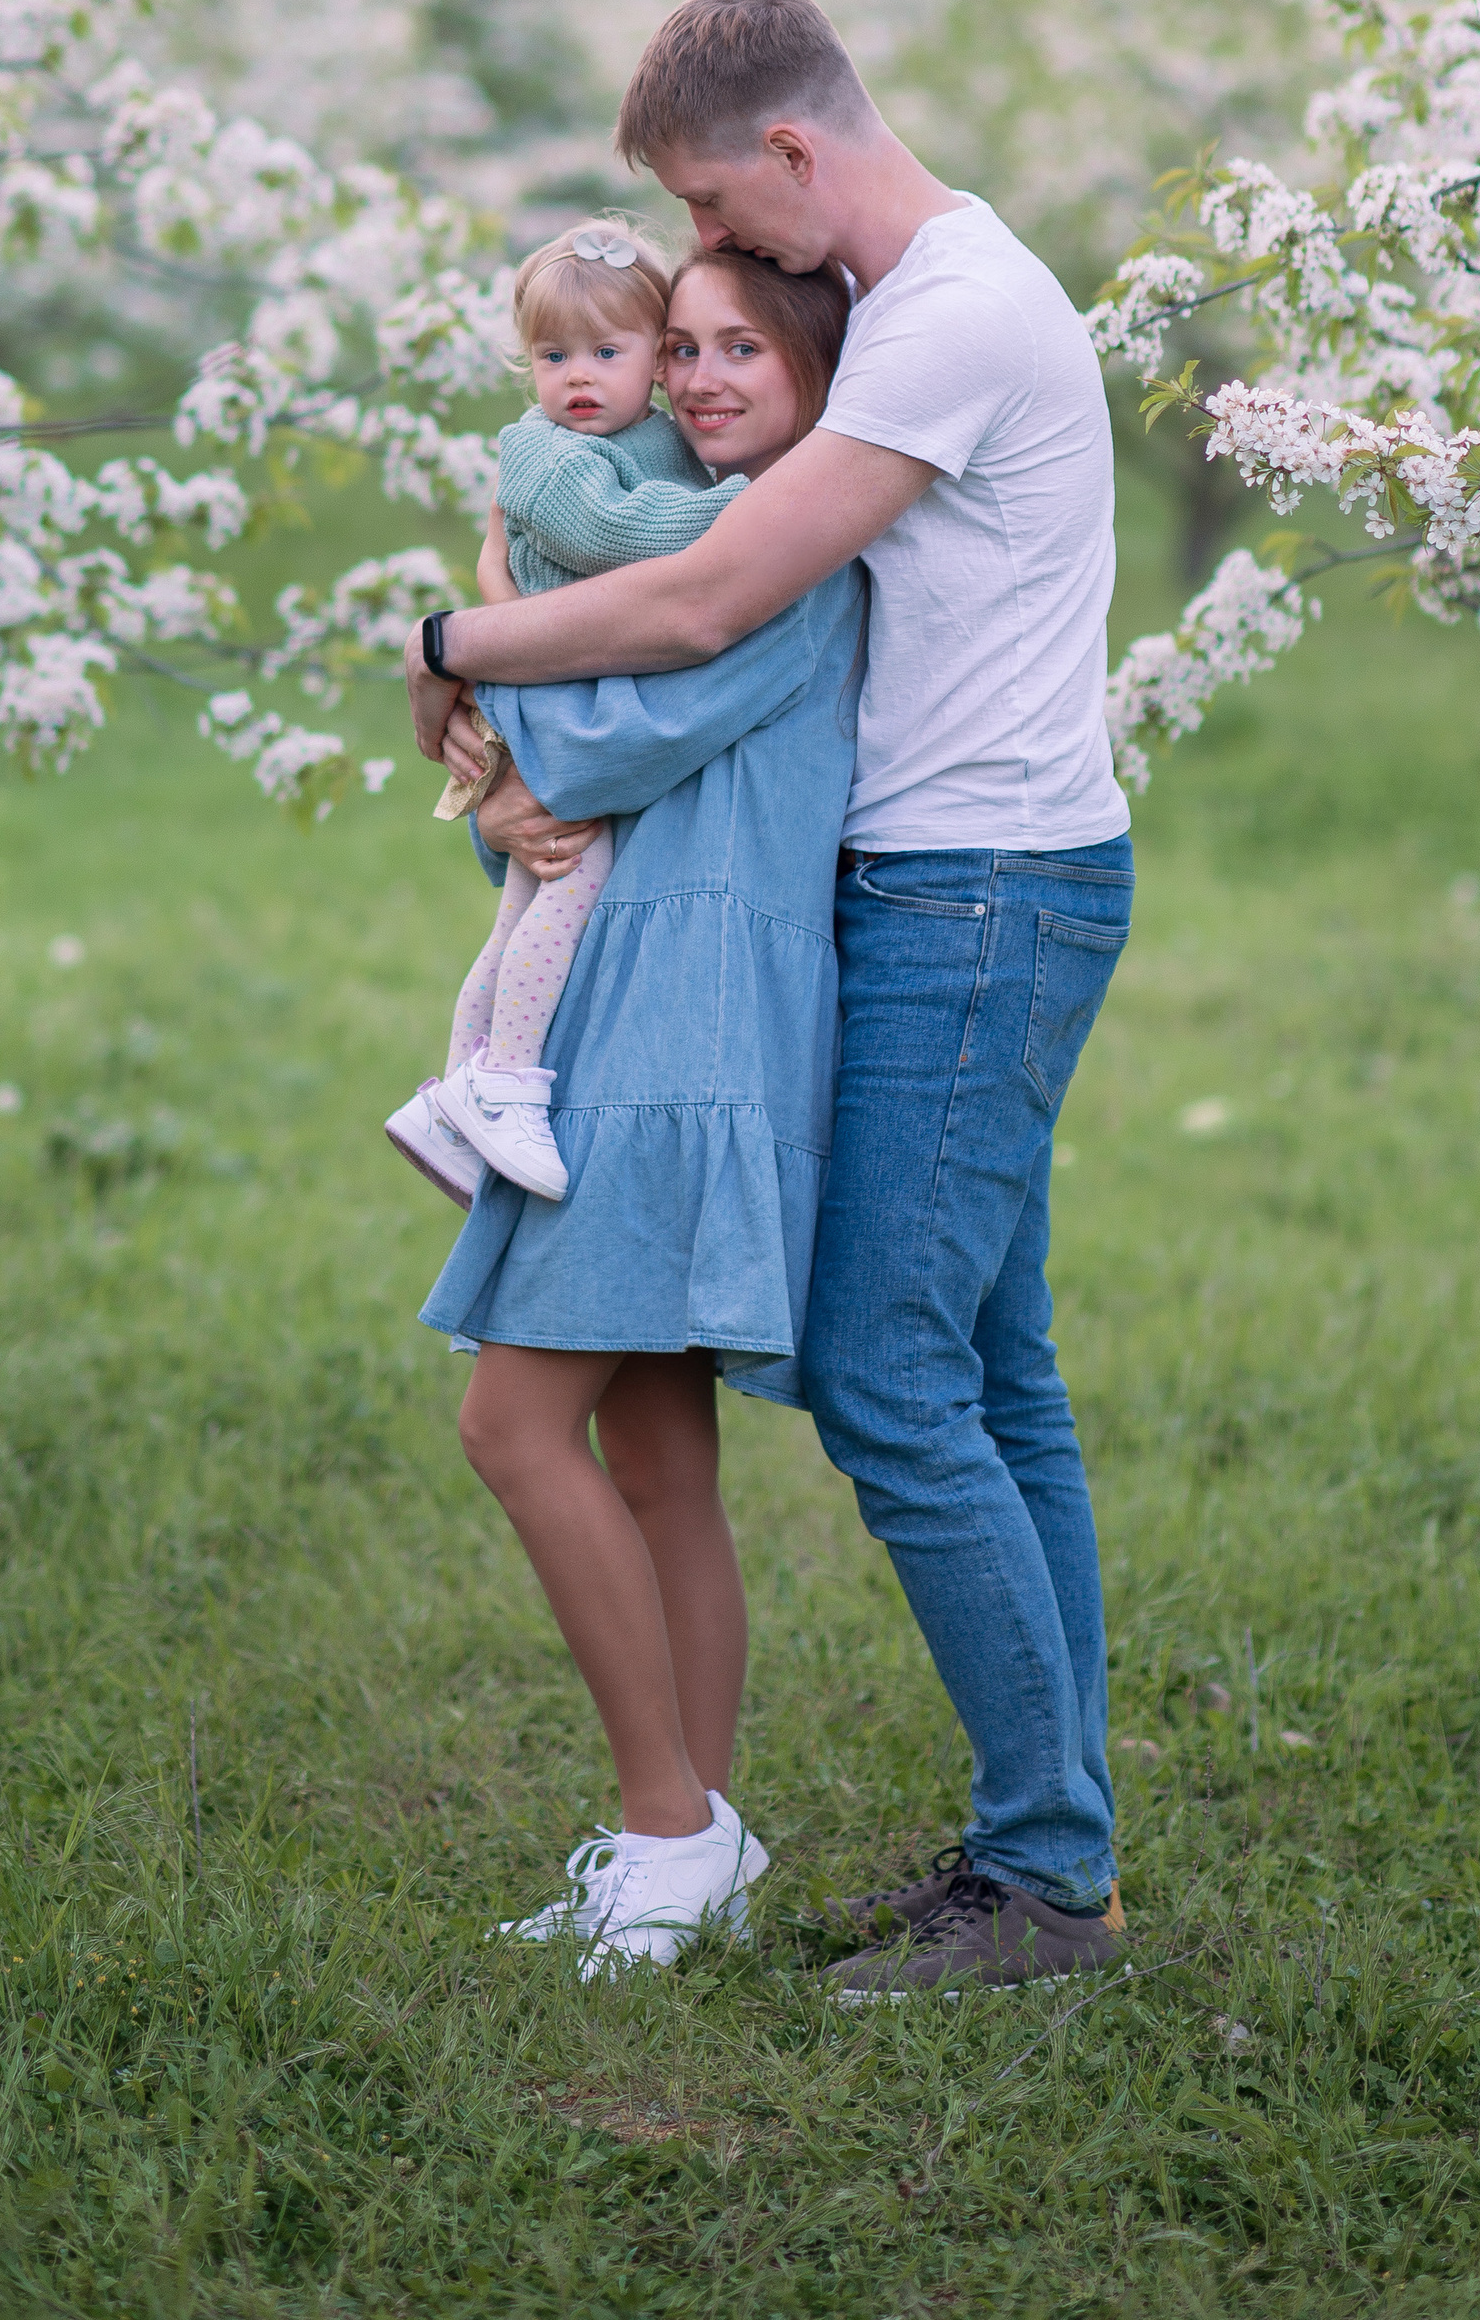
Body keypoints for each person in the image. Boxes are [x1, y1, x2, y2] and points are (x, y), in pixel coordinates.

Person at [407, 0, 1133, 2000]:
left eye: (723, 203)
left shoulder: (943, 312)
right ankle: (1039, 1847)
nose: (721, 263)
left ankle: (1042, 1886)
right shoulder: (914, 300)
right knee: (991, 1375)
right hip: (950, 874)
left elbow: (727, 590)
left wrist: (458, 628)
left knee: (897, 1380)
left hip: (972, 887)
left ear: (792, 150)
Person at [419, 246, 862, 1977]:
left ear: (823, 370)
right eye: (682, 344)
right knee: (662, 1450)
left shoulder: (785, 556)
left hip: (689, 1029)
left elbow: (596, 745)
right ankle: (695, 1851)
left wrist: (467, 641)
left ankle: (673, 1822)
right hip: (637, 1003)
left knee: (515, 1428)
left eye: (744, 344)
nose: (698, 374)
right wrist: (497, 743)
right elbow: (533, 804)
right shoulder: (694, 517)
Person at [383, 218, 741, 1207]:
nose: (575, 375)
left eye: (605, 352)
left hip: (565, 685)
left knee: (521, 909)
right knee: (572, 876)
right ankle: (505, 1082)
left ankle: (454, 1095)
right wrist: (753, 510)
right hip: (552, 697)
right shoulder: (543, 452)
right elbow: (618, 534)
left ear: (657, 362)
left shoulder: (646, 436)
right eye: (552, 355)